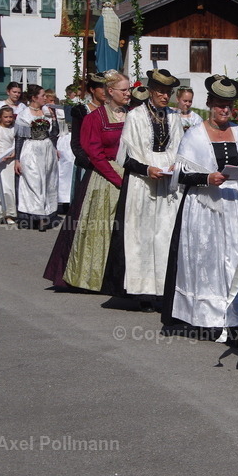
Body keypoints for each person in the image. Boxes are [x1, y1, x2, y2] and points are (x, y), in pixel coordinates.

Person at [162, 76, 238, 336]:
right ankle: (205, 317)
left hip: (235, 206)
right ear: (210, 103)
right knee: (207, 261)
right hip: (203, 207)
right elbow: (180, 175)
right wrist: (206, 178)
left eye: (229, 105)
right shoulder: (195, 135)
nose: (225, 110)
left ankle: (233, 316)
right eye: (220, 104)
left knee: (234, 260)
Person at [102, 69, 184, 302]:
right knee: (141, 236)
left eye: (168, 92)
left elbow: (180, 150)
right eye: (160, 91)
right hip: (142, 184)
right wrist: (147, 169)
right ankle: (143, 292)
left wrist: (172, 168)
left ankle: (164, 291)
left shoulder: (174, 117)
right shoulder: (136, 116)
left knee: (165, 235)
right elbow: (124, 157)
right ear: (150, 91)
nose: (165, 96)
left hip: (168, 184)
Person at [61, 72, 130, 292]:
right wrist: (117, 179)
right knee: (101, 228)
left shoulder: (134, 116)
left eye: (129, 89)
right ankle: (95, 277)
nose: (129, 93)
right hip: (105, 178)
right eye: (124, 90)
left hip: (132, 175)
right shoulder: (94, 117)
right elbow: (94, 153)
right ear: (111, 91)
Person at [42, 76, 106, 287]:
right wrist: (91, 162)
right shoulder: (82, 111)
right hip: (88, 167)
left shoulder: (115, 111)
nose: (105, 91)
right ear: (92, 90)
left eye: (107, 87)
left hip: (110, 168)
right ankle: (74, 267)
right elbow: (76, 144)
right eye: (100, 88)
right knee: (82, 217)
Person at [14, 85, 59, 230]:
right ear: (34, 98)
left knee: (48, 181)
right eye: (43, 95)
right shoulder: (24, 114)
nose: (45, 98)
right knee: (33, 181)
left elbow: (55, 133)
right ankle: (37, 216)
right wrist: (17, 159)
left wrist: (53, 117)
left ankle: (46, 213)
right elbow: (19, 138)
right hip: (31, 149)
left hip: (47, 149)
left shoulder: (47, 111)